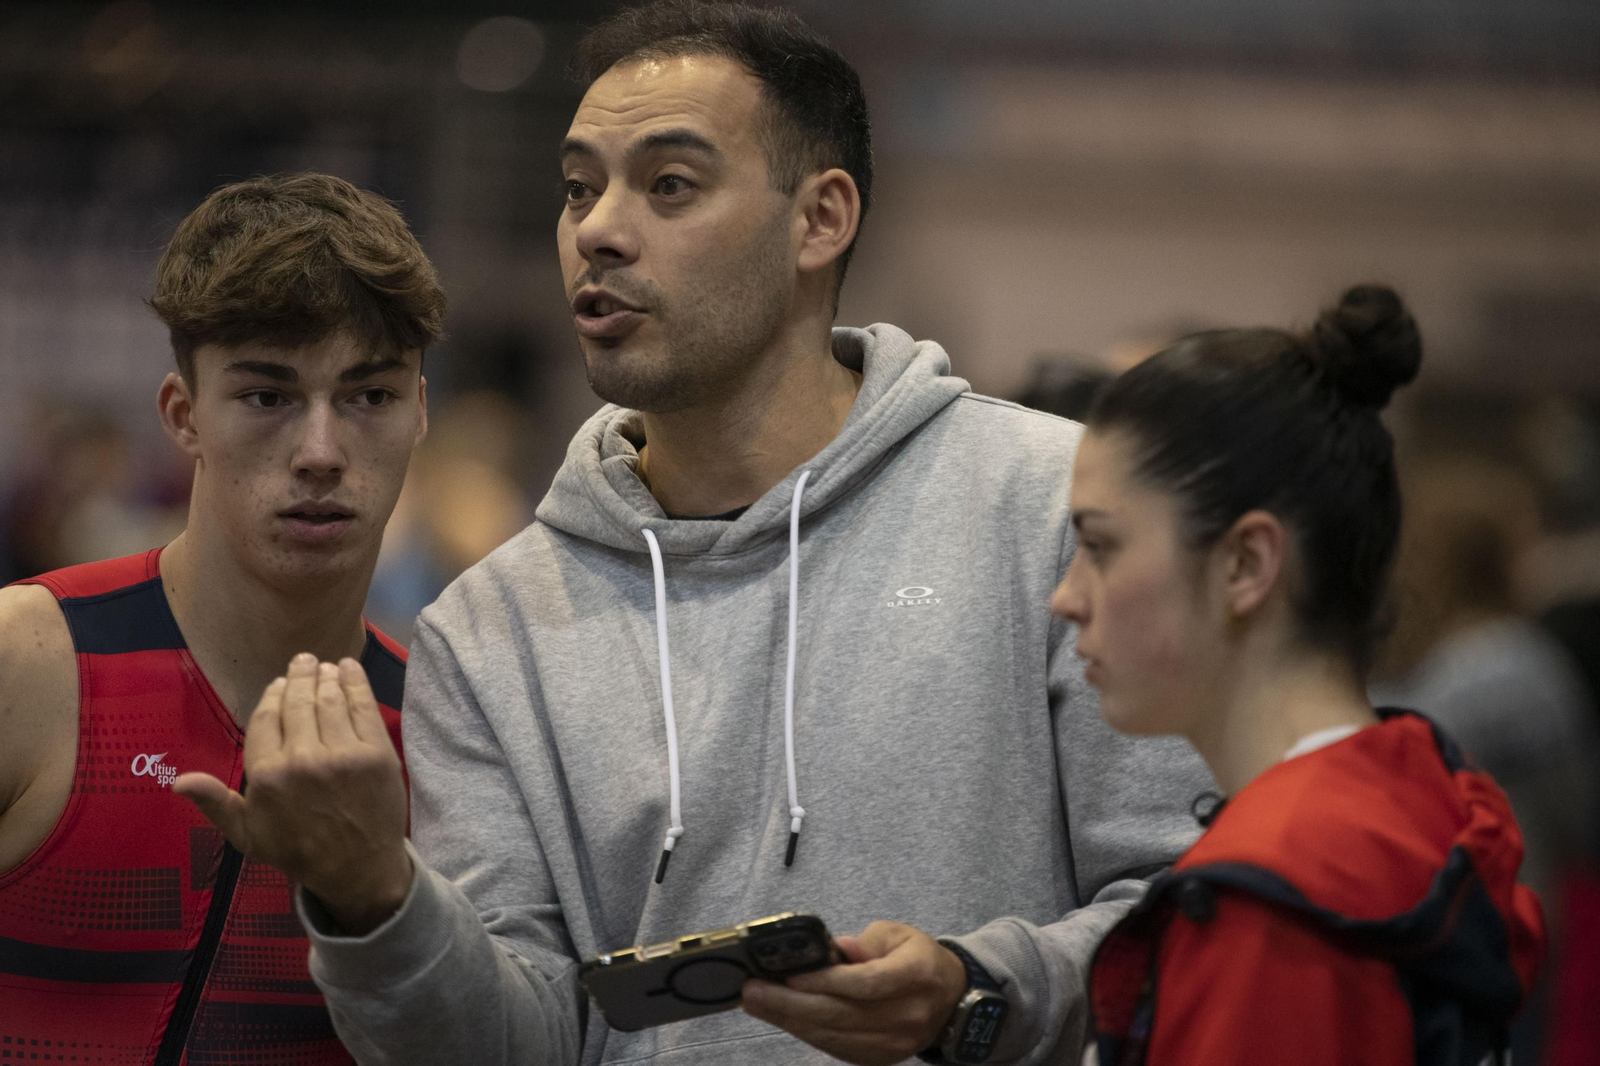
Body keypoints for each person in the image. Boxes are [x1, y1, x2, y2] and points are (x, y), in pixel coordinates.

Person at [175, 3, 1211, 1064]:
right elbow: (511, 1045)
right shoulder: (490, 632)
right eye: (579, 188)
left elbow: (1197, 909)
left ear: (820, 219)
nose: (598, 229)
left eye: (669, 185)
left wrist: (977, 991)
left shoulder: (1052, 507)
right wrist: (371, 898)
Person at [0, 172, 442, 1062]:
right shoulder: (27, 661)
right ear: (183, 415)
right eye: (267, 397)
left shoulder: (446, 739)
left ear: (419, 414)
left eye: (370, 396)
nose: (321, 453)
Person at [1056, 285, 1546, 1065]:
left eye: (1100, 546)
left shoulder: (1269, 910)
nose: (1066, 596)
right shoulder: (1417, 790)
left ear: (1246, 564)